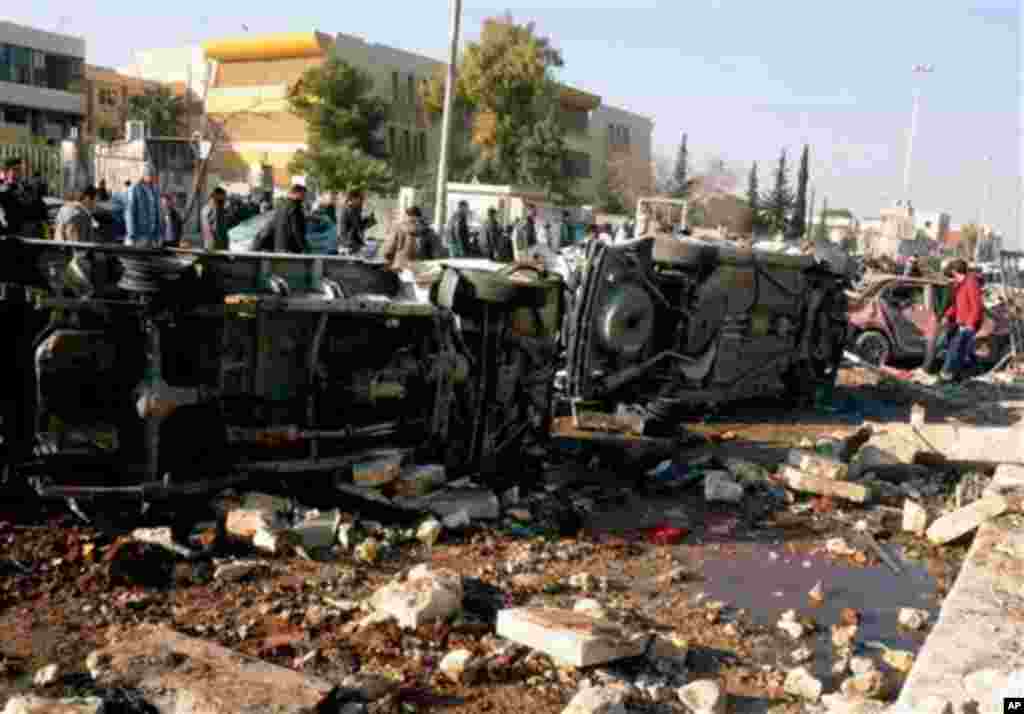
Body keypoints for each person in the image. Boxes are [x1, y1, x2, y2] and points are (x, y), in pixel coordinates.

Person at [940, 259, 984, 382]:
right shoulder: (960, 284)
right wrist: (947, 316)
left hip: (970, 323)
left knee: (955, 349)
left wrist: (969, 325)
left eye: (952, 275)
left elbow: (977, 306)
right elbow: (957, 305)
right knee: (959, 349)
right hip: (961, 322)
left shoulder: (971, 283)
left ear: (955, 272)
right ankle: (965, 374)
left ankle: (945, 375)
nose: (952, 278)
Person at [382, 206, 437, 271]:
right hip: (421, 266)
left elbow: (390, 247)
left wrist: (387, 258)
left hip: (401, 265)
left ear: (406, 215)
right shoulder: (428, 230)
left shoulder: (398, 228)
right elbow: (435, 251)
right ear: (420, 216)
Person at [124, 162, 164, 248]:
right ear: (143, 174)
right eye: (149, 174)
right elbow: (130, 213)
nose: (152, 176)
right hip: (140, 236)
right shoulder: (135, 189)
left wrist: (158, 234)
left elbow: (158, 212)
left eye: (152, 174)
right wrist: (132, 235)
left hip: (153, 236)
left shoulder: (155, 189)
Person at [267, 184, 308, 254]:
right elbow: (296, 230)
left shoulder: (281, 206)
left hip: (279, 248)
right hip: (291, 250)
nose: (304, 198)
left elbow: (273, 226)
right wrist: (303, 247)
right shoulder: (295, 207)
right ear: (297, 193)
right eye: (303, 195)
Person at [337, 190, 375, 255]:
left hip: (352, 243)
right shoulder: (349, 209)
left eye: (362, 199)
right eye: (361, 199)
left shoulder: (354, 209)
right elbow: (357, 227)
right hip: (349, 245)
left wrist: (370, 218)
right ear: (354, 199)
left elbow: (360, 226)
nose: (362, 201)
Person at [201, 187, 229, 251]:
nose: (225, 198)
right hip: (214, 243)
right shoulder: (211, 207)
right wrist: (218, 239)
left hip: (215, 242)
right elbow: (211, 227)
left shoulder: (216, 206)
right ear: (217, 195)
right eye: (223, 196)